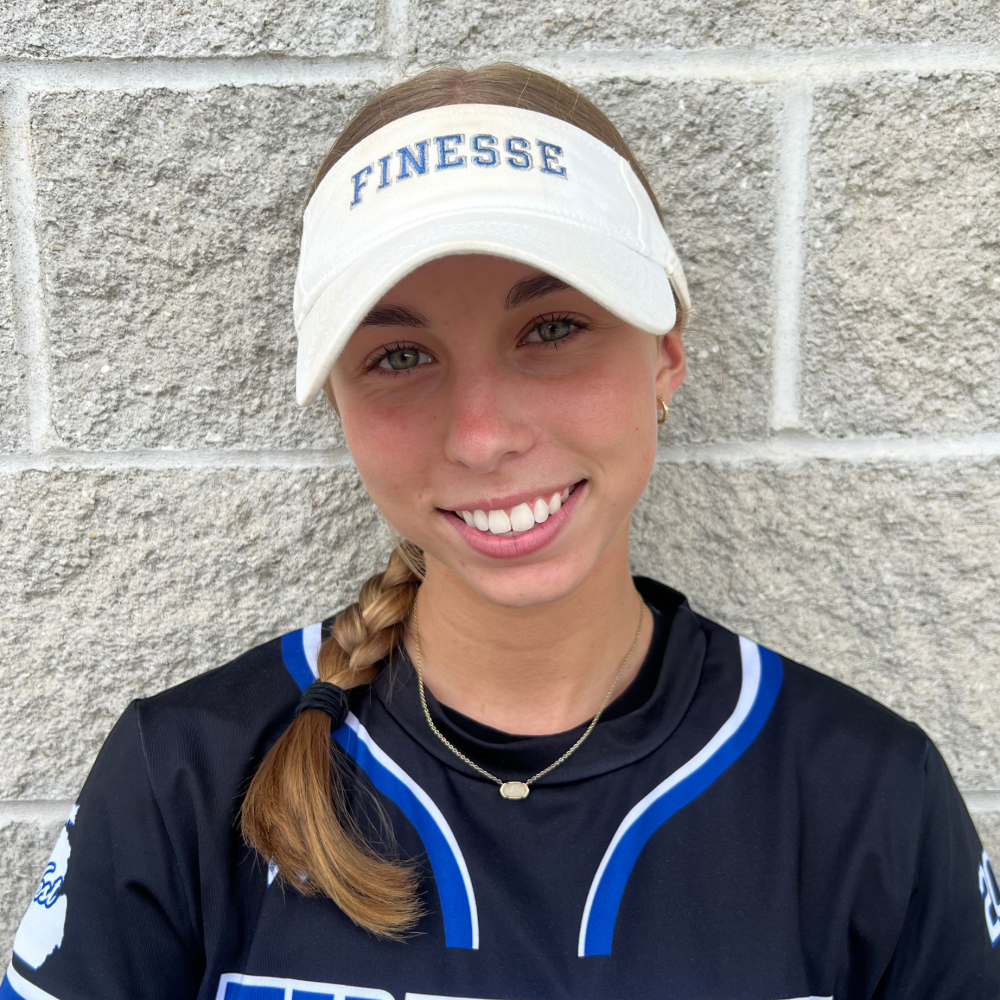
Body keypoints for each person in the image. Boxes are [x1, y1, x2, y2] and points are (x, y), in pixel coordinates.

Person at [4, 64, 999, 1000]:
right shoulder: (183, 780)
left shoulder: (871, 798)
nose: (482, 437)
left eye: (552, 329)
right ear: (339, 401)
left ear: (665, 352)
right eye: (399, 355)